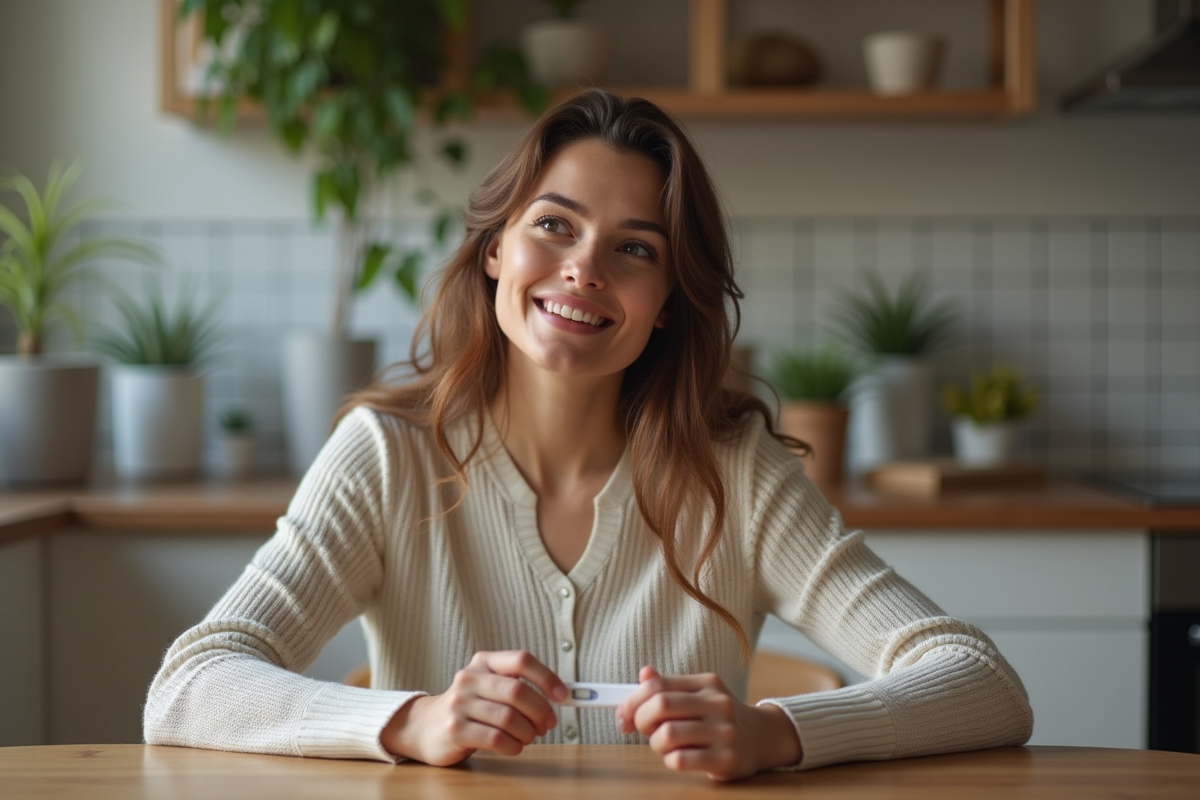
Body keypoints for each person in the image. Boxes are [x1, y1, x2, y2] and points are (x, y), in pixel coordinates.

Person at [144, 89, 1033, 781]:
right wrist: (413, 721)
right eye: (554, 226)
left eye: (635, 249)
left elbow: (980, 682)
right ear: (497, 247)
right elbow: (189, 686)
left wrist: (774, 733)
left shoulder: (738, 475)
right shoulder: (386, 456)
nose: (583, 269)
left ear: (668, 304)